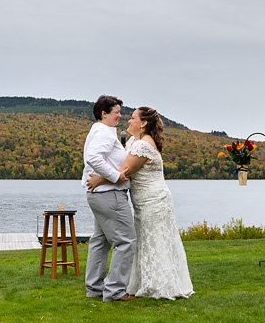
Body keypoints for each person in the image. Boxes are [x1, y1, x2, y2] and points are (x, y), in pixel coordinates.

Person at [89, 107, 193, 299]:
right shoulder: (133, 141)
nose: (128, 121)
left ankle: (159, 284)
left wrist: (99, 180)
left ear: (143, 123)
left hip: (153, 200)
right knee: (144, 240)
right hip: (143, 201)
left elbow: (124, 171)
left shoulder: (143, 145)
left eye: (133, 118)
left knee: (156, 240)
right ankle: (139, 282)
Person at [81, 95, 137, 302]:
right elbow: (93, 158)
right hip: (109, 196)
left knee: (100, 241)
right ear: (104, 114)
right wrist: (115, 176)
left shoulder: (98, 130)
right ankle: (114, 290)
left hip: (100, 195)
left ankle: (95, 288)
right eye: (116, 112)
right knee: (126, 241)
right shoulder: (104, 132)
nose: (120, 116)